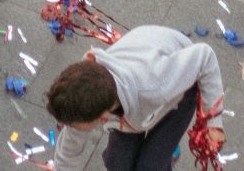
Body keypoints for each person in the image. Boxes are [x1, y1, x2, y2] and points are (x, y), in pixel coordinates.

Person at [45, 27, 225, 171]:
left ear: (102, 118)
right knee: (116, 163)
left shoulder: (157, 85)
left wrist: (213, 122)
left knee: (151, 166)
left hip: (177, 89)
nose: (71, 129)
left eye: (74, 126)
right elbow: (70, 150)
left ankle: (166, 153)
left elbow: (205, 55)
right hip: (131, 104)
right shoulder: (81, 100)